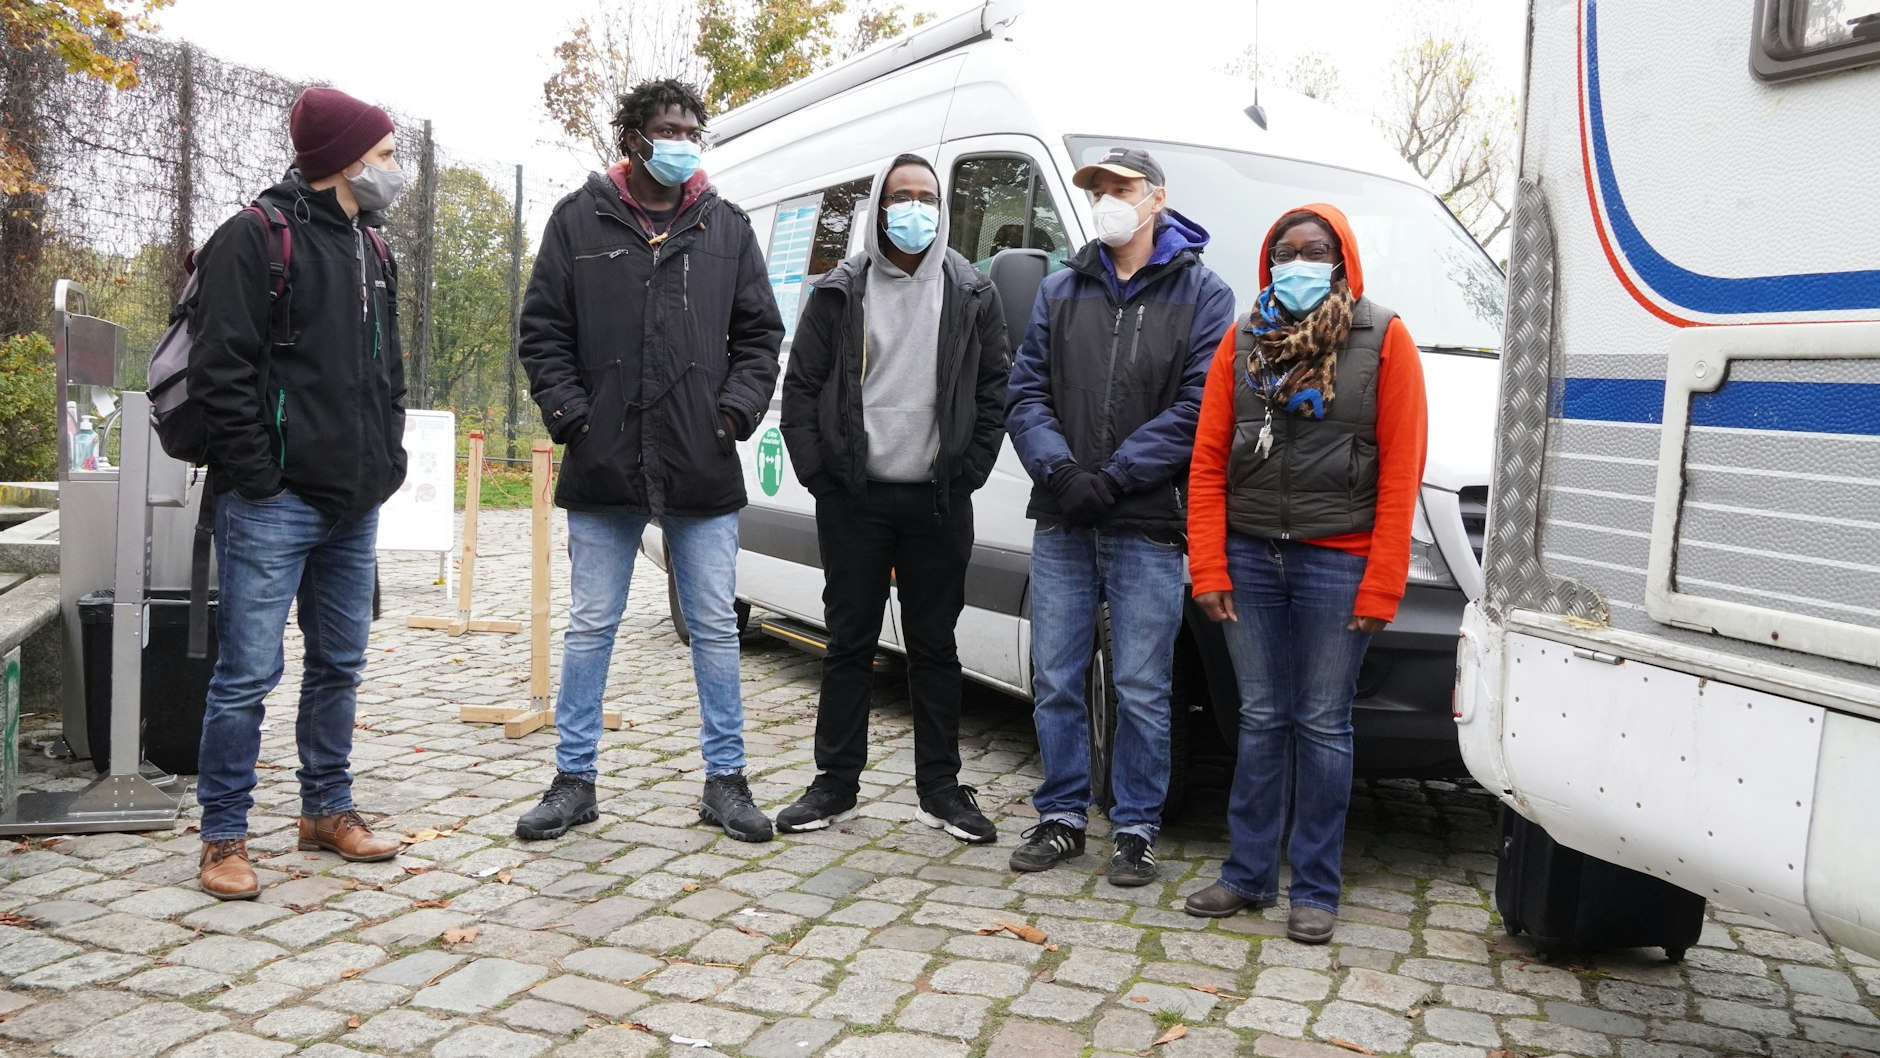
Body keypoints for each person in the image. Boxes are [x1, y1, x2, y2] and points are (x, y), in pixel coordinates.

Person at [513, 79, 784, 843]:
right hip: (604, 462)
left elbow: (761, 335)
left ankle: (726, 782)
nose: (682, 142)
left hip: (700, 458)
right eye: (667, 129)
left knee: (715, 627)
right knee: (591, 624)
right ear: (630, 136)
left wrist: (731, 412)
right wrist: (571, 416)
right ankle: (575, 781)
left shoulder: (726, 225)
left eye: (693, 131)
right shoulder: (578, 219)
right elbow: (543, 331)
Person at [1182, 204, 1428, 943]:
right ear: (1267, 262)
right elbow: (1207, 460)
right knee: (1260, 719)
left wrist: (1384, 581)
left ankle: (1316, 888)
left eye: (1314, 250)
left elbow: (1402, 470)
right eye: (1285, 251)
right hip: (1251, 559)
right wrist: (1209, 565)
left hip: (1339, 562)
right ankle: (1247, 875)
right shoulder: (1243, 339)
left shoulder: (1384, 338)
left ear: (1341, 260)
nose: (1298, 262)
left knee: (1322, 725)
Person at [190, 86, 410, 899]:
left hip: (355, 503)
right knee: (247, 673)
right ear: (346, 160)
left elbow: (386, 372)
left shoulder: (374, 246)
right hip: (273, 502)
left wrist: (386, 462)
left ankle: (326, 809)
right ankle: (222, 838)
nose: (395, 170)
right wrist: (259, 477)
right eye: (385, 155)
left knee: (340, 666)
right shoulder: (253, 237)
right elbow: (223, 373)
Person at [1004, 147, 1236, 885]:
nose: (1107, 197)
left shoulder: (1205, 294)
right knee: (1058, 677)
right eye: (1097, 188)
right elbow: (1025, 392)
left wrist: (1117, 475)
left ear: (1156, 198)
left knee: (1142, 685)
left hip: (1147, 524)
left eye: (1121, 187)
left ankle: (1136, 826)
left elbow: (1200, 408)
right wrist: (1063, 471)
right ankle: (1062, 815)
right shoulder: (1060, 288)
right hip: (1065, 517)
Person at [774, 154, 1011, 843]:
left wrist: (968, 469)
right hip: (855, 499)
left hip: (939, 499)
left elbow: (995, 387)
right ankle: (834, 784)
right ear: (879, 208)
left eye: (927, 197)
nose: (915, 209)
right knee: (849, 642)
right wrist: (823, 477)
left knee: (935, 646)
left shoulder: (972, 289)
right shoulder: (840, 289)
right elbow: (802, 391)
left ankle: (940, 790)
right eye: (902, 197)